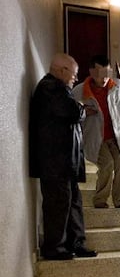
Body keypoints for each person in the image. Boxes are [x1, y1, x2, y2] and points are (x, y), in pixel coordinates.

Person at [29, 53, 97, 261]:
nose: (76, 79)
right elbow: (73, 112)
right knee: (58, 204)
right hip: (55, 162)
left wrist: (79, 109)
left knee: (72, 202)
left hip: (66, 163)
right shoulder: (51, 87)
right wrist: (81, 110)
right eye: (74, 74)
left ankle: (76, 243)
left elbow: (72, 111)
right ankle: (54, 247)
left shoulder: (58, 89)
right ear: (61, 70)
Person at [73, 55, 120, 209]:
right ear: (92, 72)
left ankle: (119, 199)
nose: (104, 79)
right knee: (107, 164)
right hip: (95, 138)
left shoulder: (118, 87)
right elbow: (69, 107)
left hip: (114, 137)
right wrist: (81, 111)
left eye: (106, 74)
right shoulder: (80, 90)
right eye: (100, 74)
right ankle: (100, 200)